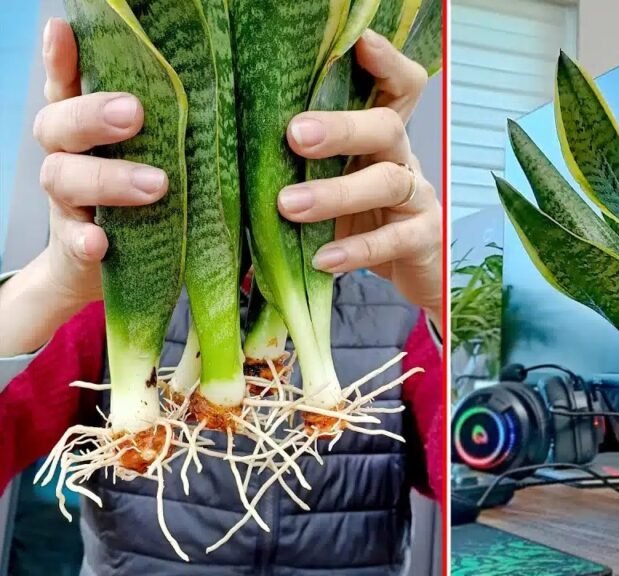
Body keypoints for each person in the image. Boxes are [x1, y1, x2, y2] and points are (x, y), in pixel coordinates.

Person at [0, 18, 444, 576]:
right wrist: (51, 286)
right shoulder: (102, 299)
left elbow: (470, 484)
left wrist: (440, 301)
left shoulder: (399, 311)